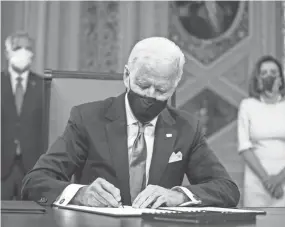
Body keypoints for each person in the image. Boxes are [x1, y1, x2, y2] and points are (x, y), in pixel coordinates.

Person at [21, 37, 240, 208]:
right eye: (143, 85)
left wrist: (178, 195)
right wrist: (81, 194)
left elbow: (227, 189)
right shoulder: (87, 119)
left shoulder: (186, 127)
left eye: (161, 90)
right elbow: (35, 182)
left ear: (174, 87)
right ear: (127, 76)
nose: (150, 96)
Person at [1, 31, 45, 200]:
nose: (23, 52)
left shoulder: (43, 86)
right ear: (7, 52)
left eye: (27, 48)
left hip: (32, 168)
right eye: (17, 47)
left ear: (32, 54)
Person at [237, 55, 285, 207]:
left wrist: (278, 179)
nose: (268, 77)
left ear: (281, 79)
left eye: (273, 72)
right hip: (256, 181)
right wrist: (267, 180)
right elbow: (244, 146)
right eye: (263, 73)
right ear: (257, 79)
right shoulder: (247, 105)